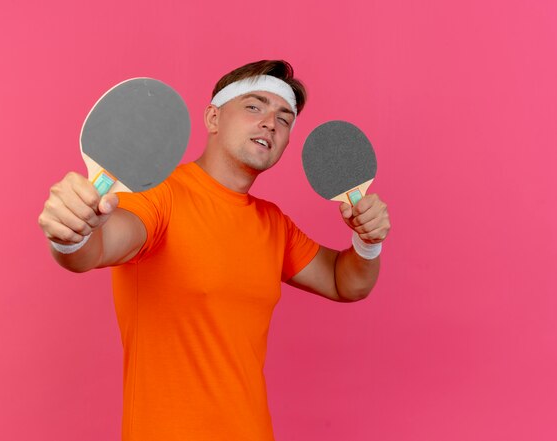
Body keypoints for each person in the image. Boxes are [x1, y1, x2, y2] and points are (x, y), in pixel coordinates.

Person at [38, 60, 391, 441]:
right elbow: (96, 249)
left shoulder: (274, 224)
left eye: (284, 118)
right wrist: (70, 233)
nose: (270, 122)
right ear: (213, 117)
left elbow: (346, 282)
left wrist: (367, 242)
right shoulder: (161, 196)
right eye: (254, 106)